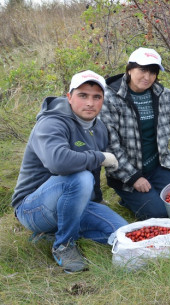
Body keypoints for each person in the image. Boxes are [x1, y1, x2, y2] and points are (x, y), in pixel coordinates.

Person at [12, 70, 128, 273]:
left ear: (103, 100)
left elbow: (93, 173)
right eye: (83, 95)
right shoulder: (51, 123)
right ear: (69, 97)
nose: (90, 103)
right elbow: (58, 163)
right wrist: (100, 157)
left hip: (72, 201)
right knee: (80, 178)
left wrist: (98, 200)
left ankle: (52, 233)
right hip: (33, 208)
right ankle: (64, 245)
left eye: (96, 97)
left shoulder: (99, 128)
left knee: (121, 233)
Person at [100, 47, 170, 220]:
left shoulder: (163, 94)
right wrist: (133, 177)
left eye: (153, 72)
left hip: (158, 165)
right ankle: (129, 198)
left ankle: (145, 195)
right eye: (142, 70)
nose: (147, 77)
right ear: (130, 68)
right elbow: (110, 145)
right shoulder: (110, 98)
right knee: (160, 213)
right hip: (127, 173)